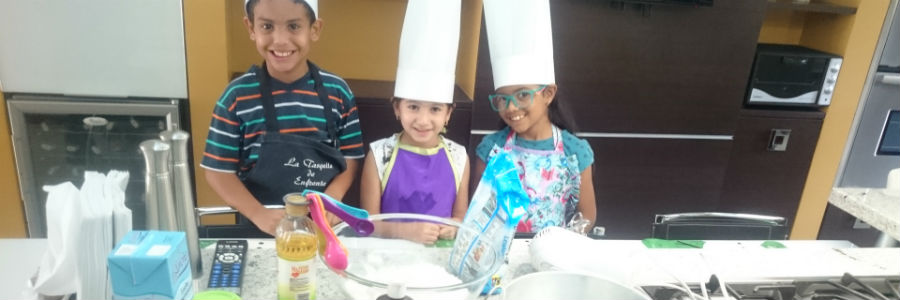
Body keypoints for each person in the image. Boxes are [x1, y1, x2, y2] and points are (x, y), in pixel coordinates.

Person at [200, 0, 364, 236]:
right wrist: (258, 214)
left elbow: (351, 156)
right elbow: (218, 171)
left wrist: (333, 198)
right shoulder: (236, 97)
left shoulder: (337, 91)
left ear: (314, 30)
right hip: (262, 229)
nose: (280, 40)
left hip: (323, 227)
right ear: (250, 28)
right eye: (267, 26)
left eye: (294, 26)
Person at [474, 0, 596, 233]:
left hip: (552, 254)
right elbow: (478, 210)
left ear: (548, 94)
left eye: (522, 95)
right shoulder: (490, 149)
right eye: (502, 98)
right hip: (498, 256)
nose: (510, 108)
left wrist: (565, 241)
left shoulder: (575, 152)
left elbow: (586, 214)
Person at [359, 0, 469, 244]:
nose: (423, 120)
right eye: (413, 107)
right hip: (387, 260)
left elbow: (461, 217)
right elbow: (367, 225)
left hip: (440, 263)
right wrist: (406, 232)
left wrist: (453, 228)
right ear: (397, 107)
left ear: (449, 113)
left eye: (435, 109)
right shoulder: (379, 154)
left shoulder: (459, 156)